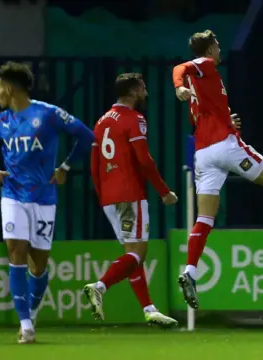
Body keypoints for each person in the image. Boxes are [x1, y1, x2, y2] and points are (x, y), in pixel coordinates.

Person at [172, 29, 263, 309]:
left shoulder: (202, 83)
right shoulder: (204, 65)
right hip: (225, 147)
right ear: (211, 48)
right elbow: (179, 67)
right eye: (217, 44)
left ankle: (190, 272)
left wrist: (226, 119)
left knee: (205, 218)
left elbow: (207, 112)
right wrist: (178, 85)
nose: (219, 49)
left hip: (203, 153)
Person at [0, 61, 94, 343]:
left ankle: (32, 310)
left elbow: (86, 136)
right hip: (12, 195)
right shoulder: (0, 122)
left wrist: (65, 167)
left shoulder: (47, 114)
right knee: (16, 253)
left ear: (11, 88)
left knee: (39, 265)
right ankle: (26, 325)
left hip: (44, 197)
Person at [83, 73, 178, 327]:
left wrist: (103, 194)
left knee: (131, 256)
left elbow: (94, 164)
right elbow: (144, 160)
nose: (145, 93)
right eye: (143, 89)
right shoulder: (135, 120)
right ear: (133, 91)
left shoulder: (101, 121)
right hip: (129, 194)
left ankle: (149, 309)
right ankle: (100, 287)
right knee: (137, 254)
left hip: (108, 198)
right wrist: (164, 191)